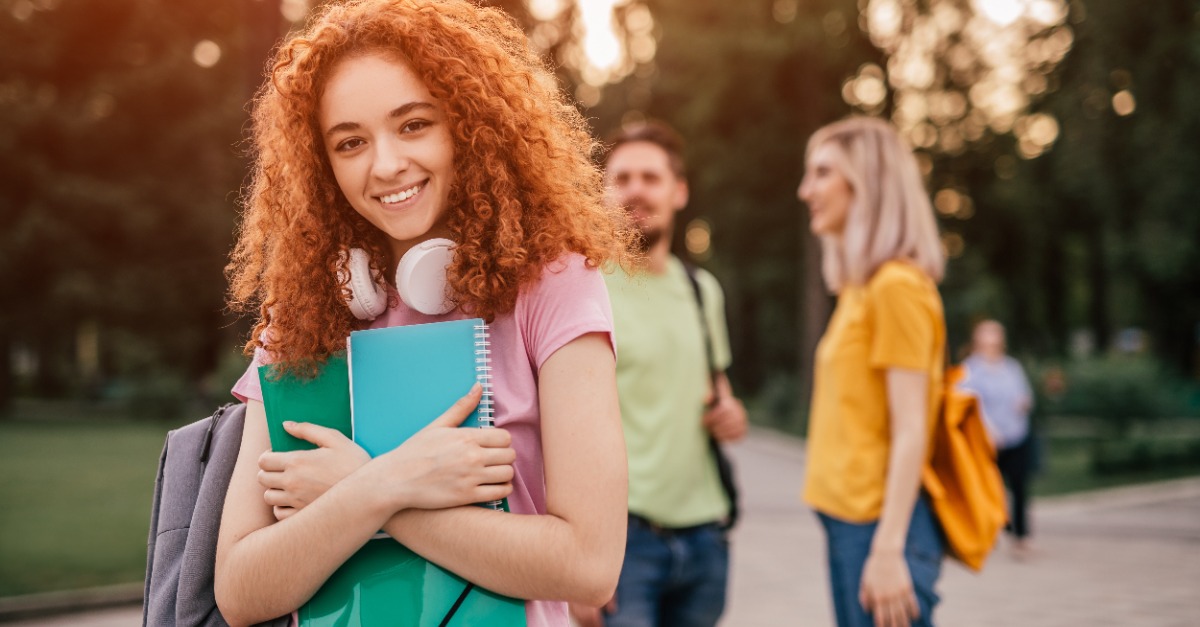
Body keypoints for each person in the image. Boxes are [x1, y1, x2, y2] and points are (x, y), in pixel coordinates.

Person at [215, 1, 635, 625]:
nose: (385, 165)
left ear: (467, 125)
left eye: (413, 125)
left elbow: (589, 566)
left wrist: (361, 491)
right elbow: (241, 590)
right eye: (351, 142)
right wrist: (390, 483)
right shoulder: (304, 313)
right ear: (323, 165)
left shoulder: (551, 284)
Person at [568, 121, 749, 627]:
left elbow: (718, 394)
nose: (636, 190)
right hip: (624, 542)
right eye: (621, 178)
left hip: (705, 537)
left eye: (650, 177)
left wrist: (731, 415)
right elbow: (551, 430)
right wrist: (575, 570)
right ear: (603, 191)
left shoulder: (701, 290)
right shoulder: (579, 285)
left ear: (679, 191)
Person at [797, 117, 947, 627]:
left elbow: (912, 428)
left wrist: (887, 550)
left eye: (821, 173)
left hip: (877, 529)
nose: (806, 190)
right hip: (850, 524)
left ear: (866, 182)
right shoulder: (863, 287)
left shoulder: (896, 287)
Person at [960, 319, 1036, 558]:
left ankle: (1021, 537)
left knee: (1020, 487)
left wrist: (1024, 403)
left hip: (1016, 434)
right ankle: (994, 531)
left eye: (995, 333)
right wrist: (988, 430)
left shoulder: (1011, 367)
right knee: (991, 488)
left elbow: (1025, 395)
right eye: (986, 333)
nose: (991, 338)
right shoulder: (970, 368)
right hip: (988, 439)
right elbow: (967, 403)